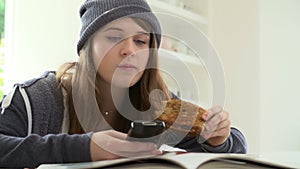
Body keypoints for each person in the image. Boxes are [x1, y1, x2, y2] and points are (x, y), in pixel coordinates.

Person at [0, 0, 247, 168]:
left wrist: (219, 137)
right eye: (114, 37)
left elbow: (237, 147)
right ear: (88, 46)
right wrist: (83, 148)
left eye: (140, 41)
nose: (129, 50)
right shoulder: (38, 97)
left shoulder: (157, 102)